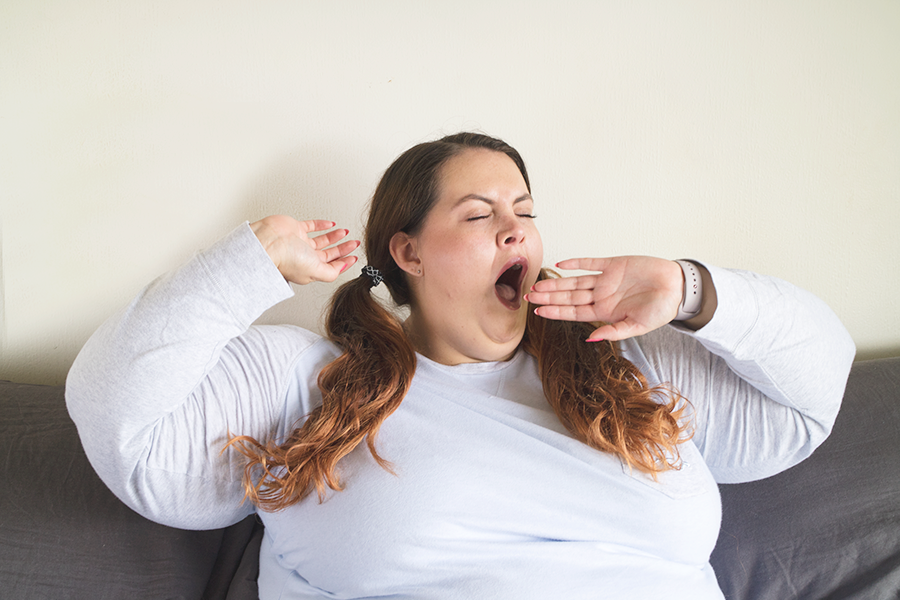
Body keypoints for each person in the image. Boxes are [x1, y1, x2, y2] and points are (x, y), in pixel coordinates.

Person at [67, 132, 855, 599]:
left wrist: (691, 289)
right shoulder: (307, 381)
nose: (517, 233)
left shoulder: (630, 366)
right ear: (405, 252)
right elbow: (122, 431)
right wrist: (242, 268)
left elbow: (812, 397)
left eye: (526, 213)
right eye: (480, 216)